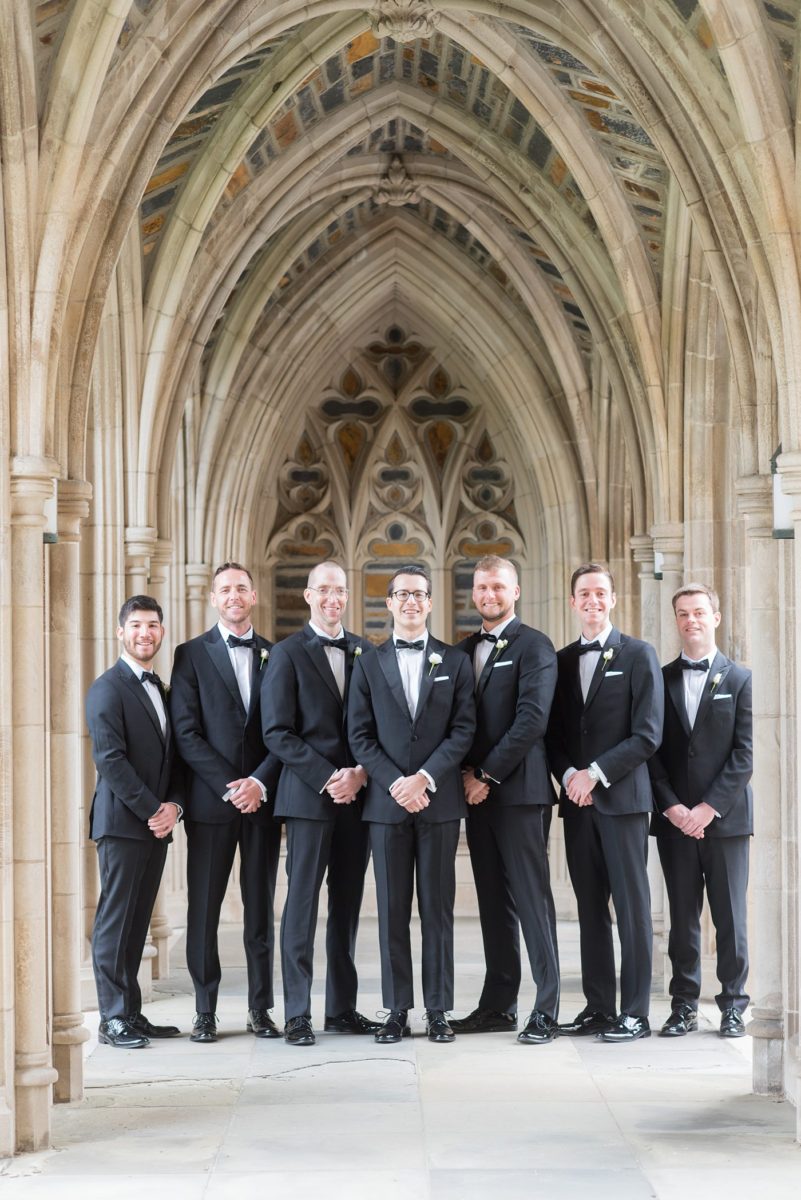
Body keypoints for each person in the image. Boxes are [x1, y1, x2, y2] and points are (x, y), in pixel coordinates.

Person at [347, 565, 475, 1044]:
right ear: (389, 603)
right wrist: (396, 783)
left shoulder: (455, 662)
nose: (411, 602)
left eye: (419, 595)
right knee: (391, 910)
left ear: (429, 601)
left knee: (438, 911)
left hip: (438, 803)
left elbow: (463, 730)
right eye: (402, 594)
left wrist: (424, 778)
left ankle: (438, 1009)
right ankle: (397, 1009)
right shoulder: (368, 662)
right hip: (385, 805)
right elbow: (359, 735)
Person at [262, 561, 378, 1046]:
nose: (333, 598)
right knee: (301, 907)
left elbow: (377, 726)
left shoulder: (366, 653)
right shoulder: (286, 654)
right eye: (323, 590)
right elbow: (277, 732)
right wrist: (329, 776)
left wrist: (359, 773)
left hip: (358, 798)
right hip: (308, 799)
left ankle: (343, 1008)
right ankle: (297, 1013)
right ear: (309, 596)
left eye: (340, 590)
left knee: (348, 907)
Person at [546, 563, 663, 1043]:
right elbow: (550, 734)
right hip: (578, 804)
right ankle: (598, 1007)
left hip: (623, 802)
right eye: (583, 594)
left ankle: (635, 1012)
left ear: (613, 600)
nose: (592, 601)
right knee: (590, 906)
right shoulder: (560, 660)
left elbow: (648, 734)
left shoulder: (639, 654)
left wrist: (595, 773)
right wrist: (570, 774)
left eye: (600, 593)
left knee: (632, 908)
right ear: (572, 602)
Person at [450, 556, 560, 1044]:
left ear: (515, 591)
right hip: (476, 796)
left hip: (518, 793)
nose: (488, 594)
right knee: (493, 903)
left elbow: (532, 720)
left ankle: (547, 1008)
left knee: (532, 902)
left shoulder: (535, 646)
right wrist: (463, 776)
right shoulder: (461, 650)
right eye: (481, 587)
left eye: (498, 586)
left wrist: (487, 775)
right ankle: (498, 1004)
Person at [170, 562, 282, 1043]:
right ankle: (205, 1010)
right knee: (205, 910)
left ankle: (261, 1009)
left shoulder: (276, 655)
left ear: (253, 596)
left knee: (260, 909)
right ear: (213, 599)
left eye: (241, 588)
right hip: (211, 807)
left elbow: (284, 732)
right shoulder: (190, 654)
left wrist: (258, 783)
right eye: (225, 590)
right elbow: (187, 733)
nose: (233, 596)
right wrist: (230, 786)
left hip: (262, 803)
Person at [649, 584, 753, 1039]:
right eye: (682, 614)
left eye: (698, 612)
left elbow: (744, 755)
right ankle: (683, 1005)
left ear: (715, 616)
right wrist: (672, 807)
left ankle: (733, 1004)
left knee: (730, 916)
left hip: (725, 821)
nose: (691, 620)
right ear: (676, 621)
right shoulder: (660, 677)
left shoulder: (740, 678)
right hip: (675, 822)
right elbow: (651, 749)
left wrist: (708, 809)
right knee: (682, 919)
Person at [85, 595, 182, 1048]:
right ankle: (112, 1018)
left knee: (138, 920)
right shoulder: (108, 687)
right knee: (115, 920)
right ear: (120, 632)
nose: (145, 633)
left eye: (153, 625)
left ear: (162, 632)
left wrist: (173, 807)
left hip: (154, 824)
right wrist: (153, 810)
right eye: (137, 625)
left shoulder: (160, 688)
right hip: (123, 823)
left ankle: (132, 1012)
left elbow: (171, 759)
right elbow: (110, 760)